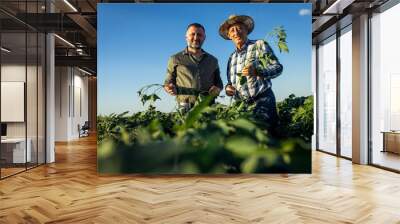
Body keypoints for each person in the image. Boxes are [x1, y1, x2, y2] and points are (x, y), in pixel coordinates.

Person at [219, 15, 283, 131]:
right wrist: (228, 88)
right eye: (232, 30)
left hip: (263, 100)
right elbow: (230, 82)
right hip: (242, 106)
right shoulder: (231, 58)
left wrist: (258, 72)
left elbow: (278, 67)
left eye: (239, 28)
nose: (236, 32)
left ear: (246, 30)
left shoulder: (259, 45)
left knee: (267, 137)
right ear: (229, 36)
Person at [164, 23, 223, 111]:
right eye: (192, 34)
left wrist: (217, 88)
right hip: (185, 106)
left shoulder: (213, 60)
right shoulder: (175, 59)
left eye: (199, 35)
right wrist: (169, 88)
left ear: (204, 38)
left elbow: (219, 83)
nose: (196, 38)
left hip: (208, 106)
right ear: (186, 37)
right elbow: (167, 83)